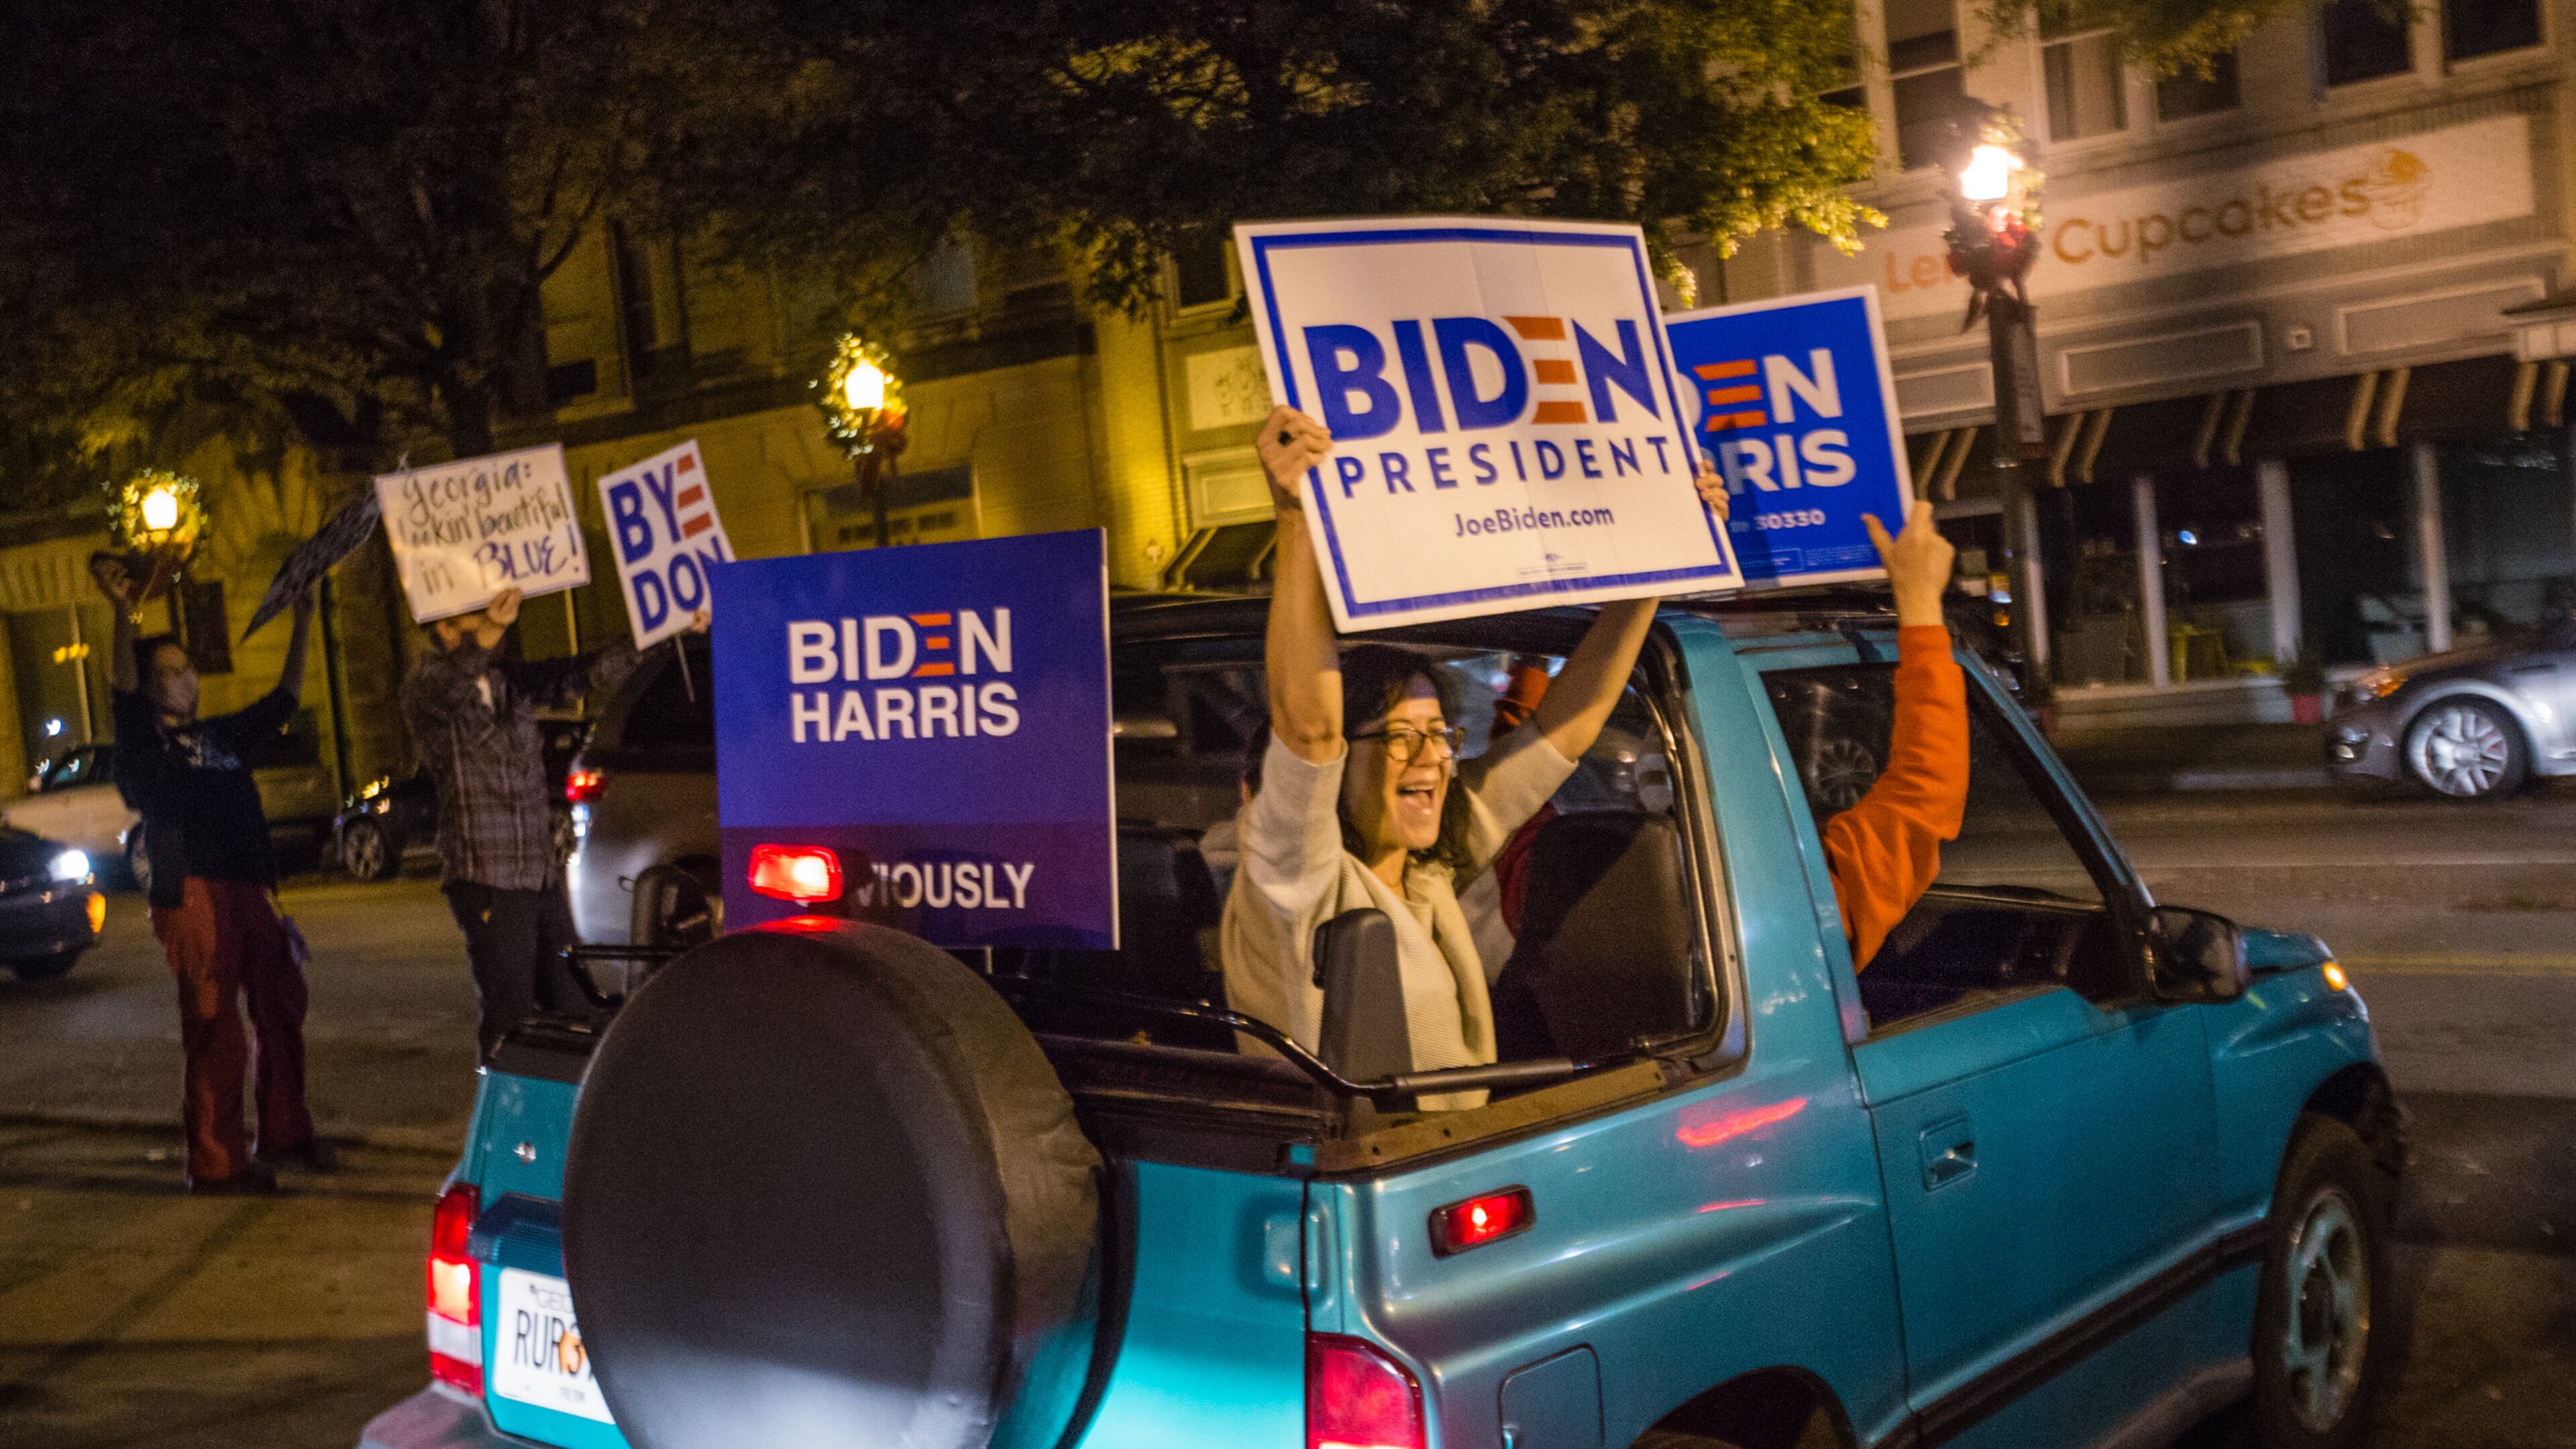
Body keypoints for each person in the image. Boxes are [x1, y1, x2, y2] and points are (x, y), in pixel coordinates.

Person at [1218, 405, 1718, 1106]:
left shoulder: (1432, 864)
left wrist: (1659, 562)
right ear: (1336, 767)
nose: (1432, 759)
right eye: (1399, 736)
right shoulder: (1293, 877)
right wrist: (1296, 517)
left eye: (1439, 734)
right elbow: (1307, 732)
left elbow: (1566, 733)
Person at [98, 559, 326, 1194]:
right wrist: (124, 614)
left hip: (251, 886)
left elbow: (282, 701)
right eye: (166, 674)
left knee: (281, 1006)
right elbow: (119, 688)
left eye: (187, 668)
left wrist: (304, 620)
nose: (183, 681)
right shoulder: (142, 748)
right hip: (193, 888)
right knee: (215, 1026)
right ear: (146, 688)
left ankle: (286, 1130)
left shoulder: (219, 736)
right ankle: (218, 1162)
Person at [402, 587, 698, 1060]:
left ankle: (562, 1118)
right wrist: (490, 632)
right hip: (489, 878)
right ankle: (501, 1121)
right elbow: (455, 687)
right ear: (446, 628)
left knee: (574, 1005)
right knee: (510, 1017)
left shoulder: (508, 681)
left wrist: (665, 632)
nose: (500, 624)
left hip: (538, 873)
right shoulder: (428, 685)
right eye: (481, 616)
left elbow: (584, 674)